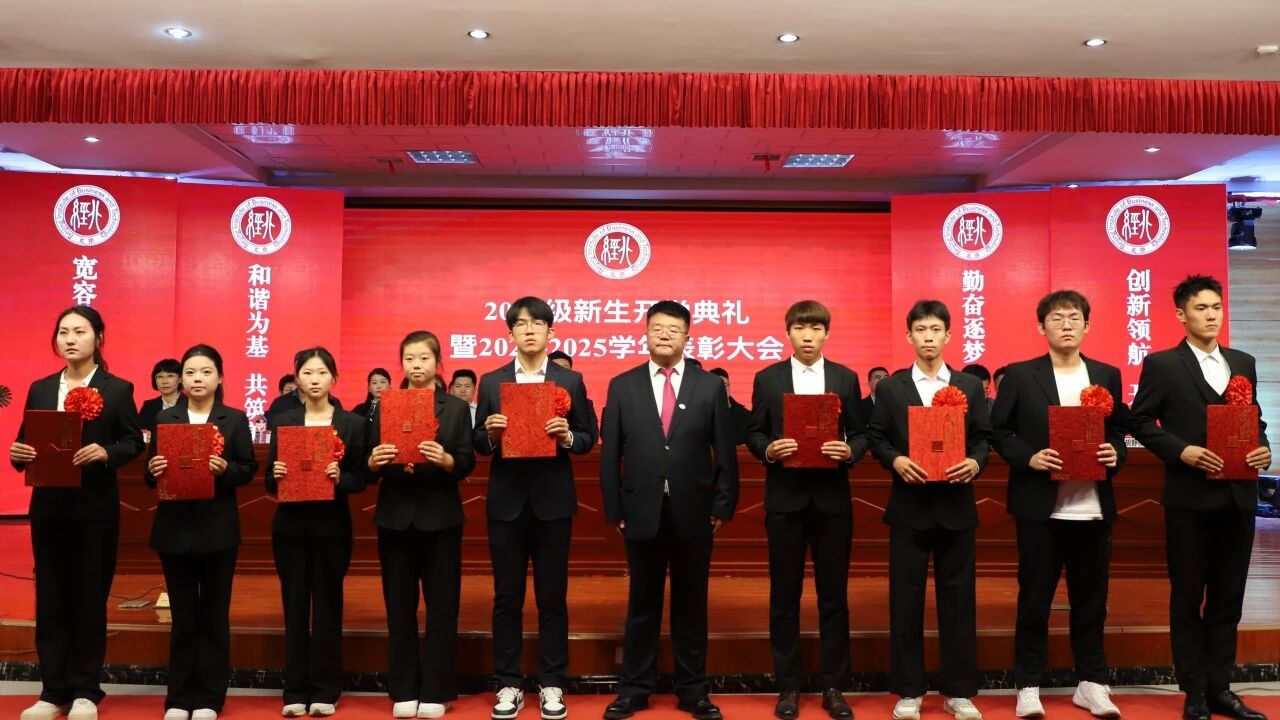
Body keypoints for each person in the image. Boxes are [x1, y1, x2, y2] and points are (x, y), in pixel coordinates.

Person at [1129, 275, 1271, 720]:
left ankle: (1221, 688)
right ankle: (1193, 692)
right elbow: (1140, 421)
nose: (1211, 316)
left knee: (1229, 599)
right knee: (1188, 598)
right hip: (1189, 500)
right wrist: (1181, 451)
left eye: (1216, 307)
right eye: (1201, 308)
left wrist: (1263, 445)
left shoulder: (1243, 362)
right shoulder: (1162, 365)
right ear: (1181, 314)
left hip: (1237, 498)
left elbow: (1254, 419)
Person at [989, 290, 1130, 719]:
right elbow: (999, 432)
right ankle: (1028, 685)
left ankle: (1092, 683)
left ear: (1087, 325)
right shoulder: (1020, 374)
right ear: (1041, 326)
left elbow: (1118, 432)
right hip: (1040, 509)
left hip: (1091, 507)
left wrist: (1114, 453)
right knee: (1035, 601)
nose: (1066, 324)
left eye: (1073, 317)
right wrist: (1029, 458)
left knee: (1092, 602)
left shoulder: (1106, 374)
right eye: (1056, 318)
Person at [599, 301, 739, 720]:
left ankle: (693, 690)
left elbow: (724, 451)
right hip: (640, 510)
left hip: (695, 511)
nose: (664, 335)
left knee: (691, 604)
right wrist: (615, 508)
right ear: (645, 333)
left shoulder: (709, 386)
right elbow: (610, 454)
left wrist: (723, 504)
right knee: (641, 604)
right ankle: (634, 690)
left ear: (687, 337)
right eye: (657, 328)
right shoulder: (622, 385)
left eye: (673, 329)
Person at [9, 307, 144, 720]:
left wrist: (106, 451)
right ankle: (53, 691)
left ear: (98, 338)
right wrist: (18, 453)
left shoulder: (116, 389)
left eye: (80, 331)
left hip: (94, 510)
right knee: (50, 597)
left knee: (89, 597)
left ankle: (86, 689)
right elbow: (25, 442)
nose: (70, 339)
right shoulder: (40, 388)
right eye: (63, 332)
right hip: (48, 509)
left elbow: (133, 441)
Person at [475, 297, 598, 720]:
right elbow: (477, 443)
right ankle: (508, 683)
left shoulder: (571, 380)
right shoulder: (492, 382)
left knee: (552, 598)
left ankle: (551, 683)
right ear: (510, 333)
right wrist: (491, 434)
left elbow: (587, 437)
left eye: (538, 323)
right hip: (506, 503)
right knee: (507, 598)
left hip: (552, 504)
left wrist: (567, 437)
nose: (529, 330)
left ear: (551, 332)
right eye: (521, 324)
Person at [867, 300, 991, 720]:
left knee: (959, 600)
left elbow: (983, 438)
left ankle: (960, 691)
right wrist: (895, 460)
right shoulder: (892, 387)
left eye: (936, 329)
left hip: (956, 505)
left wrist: (975, 462)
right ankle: (909, 690)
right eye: (920, 330)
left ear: (948, 335)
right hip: (910, 506)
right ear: (909, 336)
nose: (928, 337)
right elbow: (877, 436)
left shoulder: (969, 385)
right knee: (906, 600)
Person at [745, 300, 867, 720]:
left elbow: (862, 433)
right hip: (785, 499)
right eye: (800, 328)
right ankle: (788, 686)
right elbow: (754, 432)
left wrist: (850, 450)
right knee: (784, 596)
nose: (808, 336)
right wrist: (769, 449)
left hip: (832, 502)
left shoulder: (845, 378)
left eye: (816, 328)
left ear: (827, 333)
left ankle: (834, 686)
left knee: (834, 596)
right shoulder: (768, 378)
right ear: (788, 333)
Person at [366, 331, 476, 719]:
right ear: (402, 363)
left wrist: (447, 460)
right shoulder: (385, 405)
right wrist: (373, 461)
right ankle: (403, 688)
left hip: (440, 516)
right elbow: (367, 461)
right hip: (395, 517)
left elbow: (466, 460)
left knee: (442, 607)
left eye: (424, 358)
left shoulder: (455, 408)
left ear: (438, 363)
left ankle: (437, 689)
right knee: (399, 606)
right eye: (410, 358)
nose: (417, 365)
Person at [145, 344, 258, 720]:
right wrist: (154, 469)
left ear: (219, 378)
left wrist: (226, 469)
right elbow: (149, 474)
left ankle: (210, 698)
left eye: (206, 372)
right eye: (190, 372)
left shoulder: (234, 419)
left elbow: (248, 469)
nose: (197, 379)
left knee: (213, 615)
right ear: (181, 379)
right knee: (183, 616)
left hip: (217, 530)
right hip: (174, 529)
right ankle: (179, 698)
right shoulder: (166, 418)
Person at [266, 347, 370, 718]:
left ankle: (327, 687)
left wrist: (342, 477)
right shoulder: (284, 421)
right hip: (290, 528)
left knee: (328, 606)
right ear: (297, 379)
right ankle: (295, 689)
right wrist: (276, 475)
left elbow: (362, 478)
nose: (314, 380)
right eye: (307, 373)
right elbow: (269, 482)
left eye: (321, 373)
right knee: (294, 607)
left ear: (334, 378)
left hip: (331, 527)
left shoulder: (352, 424)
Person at [139, 358, 183, 437]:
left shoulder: (190, 404)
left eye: (170, 376)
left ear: (180, 379)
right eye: (160, 376)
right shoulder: (148, 406)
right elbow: (139, 433)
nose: (164, 381)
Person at [707, 368, 750, 446]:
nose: (723, 389)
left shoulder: (746, 416)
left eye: (725, 385)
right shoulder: (703, 416)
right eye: (718, 386)